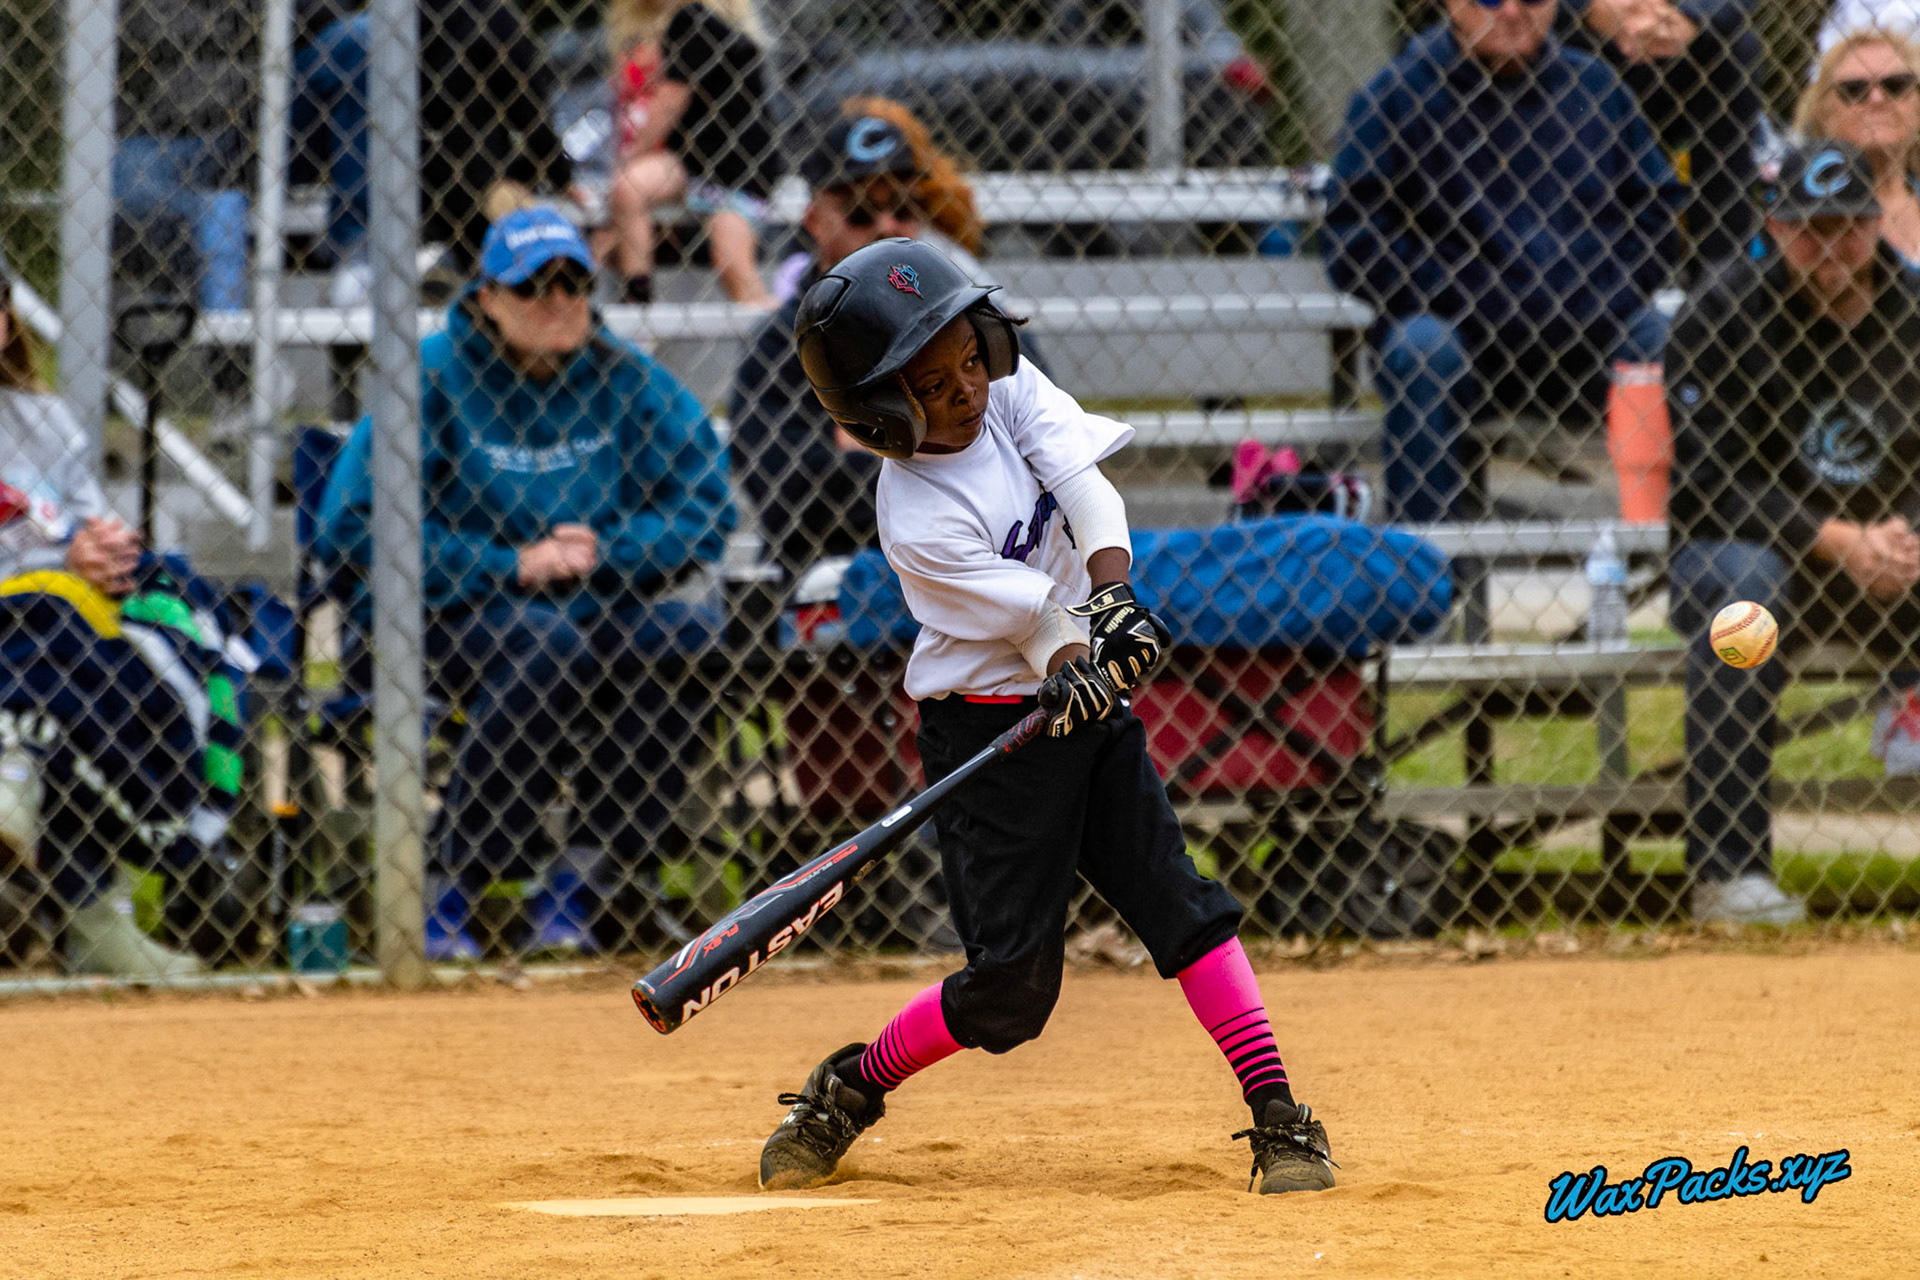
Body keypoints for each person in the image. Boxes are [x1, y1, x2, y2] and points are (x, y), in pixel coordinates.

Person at [756, 237, 1336, 1197]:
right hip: (989, 734)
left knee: (1179, 908)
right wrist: (1073, 652)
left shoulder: (1015, 396)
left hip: (1083, 710)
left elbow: (1085, 488)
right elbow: (1029, 613)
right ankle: (850, 1087)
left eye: (967, 360)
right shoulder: (916, 514)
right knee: (1011, 994)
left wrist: (1112, 604)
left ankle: (1279, 1113)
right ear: (879, 414)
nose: (965, 391)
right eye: (929, 385)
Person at [315, 208, 736, 957]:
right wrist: (506, 564)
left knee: (686, 637)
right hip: (447, 610)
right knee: (547, 647)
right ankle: (451, 882)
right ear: (487, 298)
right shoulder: (434, 375)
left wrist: (611, 549)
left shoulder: (626, 376)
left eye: (573, 282)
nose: (557, 301)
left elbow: (705, 506)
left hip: (588, 599)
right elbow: (350, 527)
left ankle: (584, 877)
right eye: (533, 286)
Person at [1666, 140, 1920, 926]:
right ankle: (1730, 872)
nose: (1833, 246)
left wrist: (1904, 539)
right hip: (1761, 555)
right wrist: (1841, 539)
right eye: (1810, 229)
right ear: (1774, 227)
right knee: (1746, 605)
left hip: (1896, 559)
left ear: (1879, 222)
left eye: (1849, 225)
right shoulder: (1724, 311)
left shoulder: (1913, 313)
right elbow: (1709, 487)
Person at [1324, 0, 1684, 523]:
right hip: (1460, 342)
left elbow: (1657, 215)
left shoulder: (1597, 89)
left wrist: (1598, 294)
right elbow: (1352, 239)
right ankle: (1429, 574)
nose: (1513, 12)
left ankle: (1675, 554)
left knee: (1663, 335)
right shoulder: (1396, 94)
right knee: (1421, 349)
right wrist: (1467, 295)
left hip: (1586, 337)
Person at [0, 254, 257, 976]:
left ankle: (87, 903)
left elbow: (86, 524)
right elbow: (50, 555)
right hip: (23, 616)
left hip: (64, 618)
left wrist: (108, 548)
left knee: (147, 619)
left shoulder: (42, 420)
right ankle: (85, 909)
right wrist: (46, 564)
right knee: (47, 630)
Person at [728, 115, 928, 576]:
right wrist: (946, 458)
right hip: (829, 572)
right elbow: (791, 498)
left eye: (903, 206)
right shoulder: (780, 345)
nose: (885, 226)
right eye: (859, 211)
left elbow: (1039, 457)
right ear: (814, 221)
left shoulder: (972, 322)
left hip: (969, 565)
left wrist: (871, 451)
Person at [289, 0, 577, 303]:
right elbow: (530, 109)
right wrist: (558, 174)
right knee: (503, 202)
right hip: (473, 182)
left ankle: (429, 262)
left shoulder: (387, 24)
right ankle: (445, 264)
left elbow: (528, 106)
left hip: (406, 177)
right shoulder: (491, 16)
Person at [1556, 0, 1764, 266]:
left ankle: (1719, 276)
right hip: (1569, 35)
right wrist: (1591, 8)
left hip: (1671, 33)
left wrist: (1695, 15)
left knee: (1733, 46)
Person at [605, 0, 782, 305]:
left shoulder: (694, 19)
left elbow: (669, 102)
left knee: (734, 265)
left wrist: (633, 154)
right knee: (628, 189)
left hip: (736, 170)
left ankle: (780, 335)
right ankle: (637, 295)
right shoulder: (694, 23)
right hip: (695, 162)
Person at [113, 0, 257, 315]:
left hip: (246, 122)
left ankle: (225, 340)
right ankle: (216, 329)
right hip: (146, 131)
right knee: (201, 207)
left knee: (221, 203)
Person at [1794, 29, 1920, 266]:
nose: (1877, 99)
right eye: (1855, 89)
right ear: (1824, 111)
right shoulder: (1796, 210)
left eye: (1895, 85)